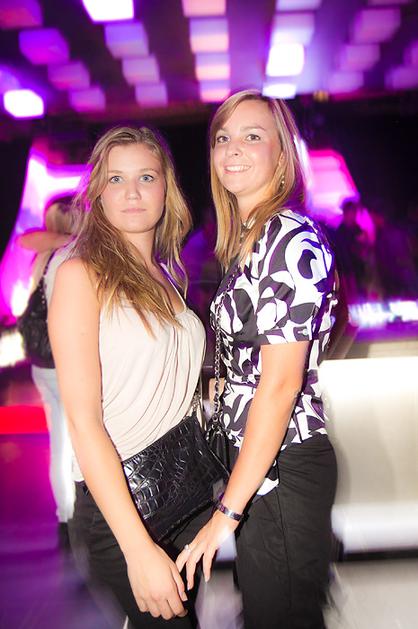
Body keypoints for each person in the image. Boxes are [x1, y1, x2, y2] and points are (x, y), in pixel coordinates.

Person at [177, 90, 338, 629]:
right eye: (223, 137)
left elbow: (281, 386)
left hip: (281, 466)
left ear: (282, 153)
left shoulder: (288, 238)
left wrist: (227, 512)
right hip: (261, 464)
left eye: (252, 136)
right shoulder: (254, 237)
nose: (232, 149)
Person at [47, 127, 210, 628]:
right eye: (116, 179)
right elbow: (84, 422)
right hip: (124, 506)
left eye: (146, 177)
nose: (133, 192)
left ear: (167, 188)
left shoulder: (167, 274)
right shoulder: (80, 275)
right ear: (98, 192)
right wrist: (137, 547)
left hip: (184, 491)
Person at [17, 196, 77, 545]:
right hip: (63, 362)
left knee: (60, 442)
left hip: (43, 365)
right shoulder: (67, 257)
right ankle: (75, 517)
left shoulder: (43, 258)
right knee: (75, 440)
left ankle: (65, 517)